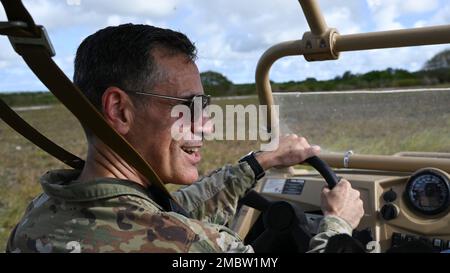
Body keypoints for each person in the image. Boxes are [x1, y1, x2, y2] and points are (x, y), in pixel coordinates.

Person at [6, 24, 364, 253]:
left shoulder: (41, 213)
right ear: (119, 110)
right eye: (189, 107)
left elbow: (154, 214)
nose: (207, 126)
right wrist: (338, 226)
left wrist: (258, 163)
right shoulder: (193, 246)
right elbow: (168, 227)